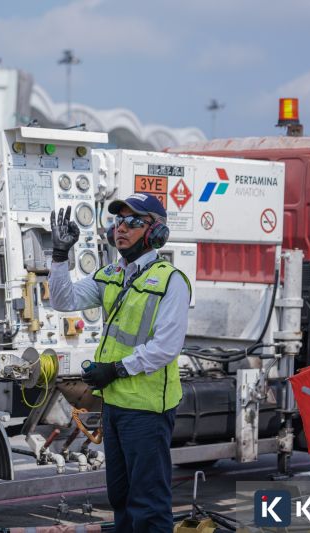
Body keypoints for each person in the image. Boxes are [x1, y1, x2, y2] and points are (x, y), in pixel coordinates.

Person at [48, 193, 190, 532]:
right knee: (121, 498)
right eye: (117, 221)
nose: (120, 228)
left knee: (149, 504)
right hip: (115, 406)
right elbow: (63, 299)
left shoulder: (171, 281)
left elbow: (166, 348)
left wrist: (115, 369)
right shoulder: (112, 274)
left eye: (132, 221)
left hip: (147, 410)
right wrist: (58, 256)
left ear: (156, 232)